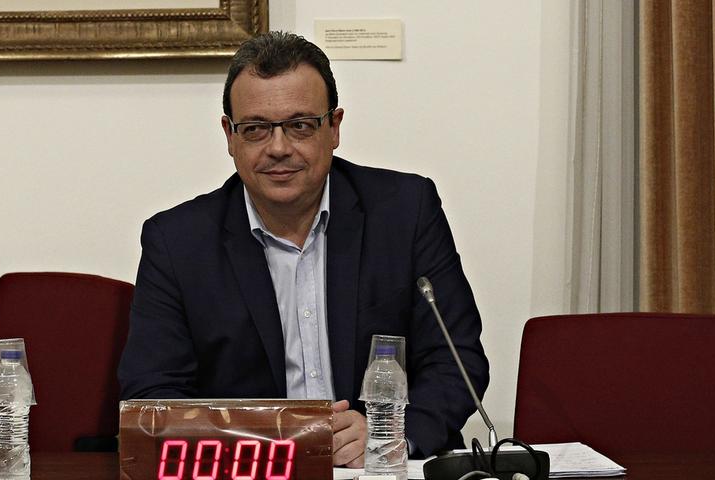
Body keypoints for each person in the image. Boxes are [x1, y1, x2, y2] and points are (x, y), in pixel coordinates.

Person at [118, 31, 489, 466]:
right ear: (229, 135)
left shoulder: (405, 211)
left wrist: (389, 434)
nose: (278, 148)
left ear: (334, 127)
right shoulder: (177, 241)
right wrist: (268, 447)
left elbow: (455, 360)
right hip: (252, 472)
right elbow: (154, 397)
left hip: (378, 467)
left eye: (300, 125)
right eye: (255, 128)